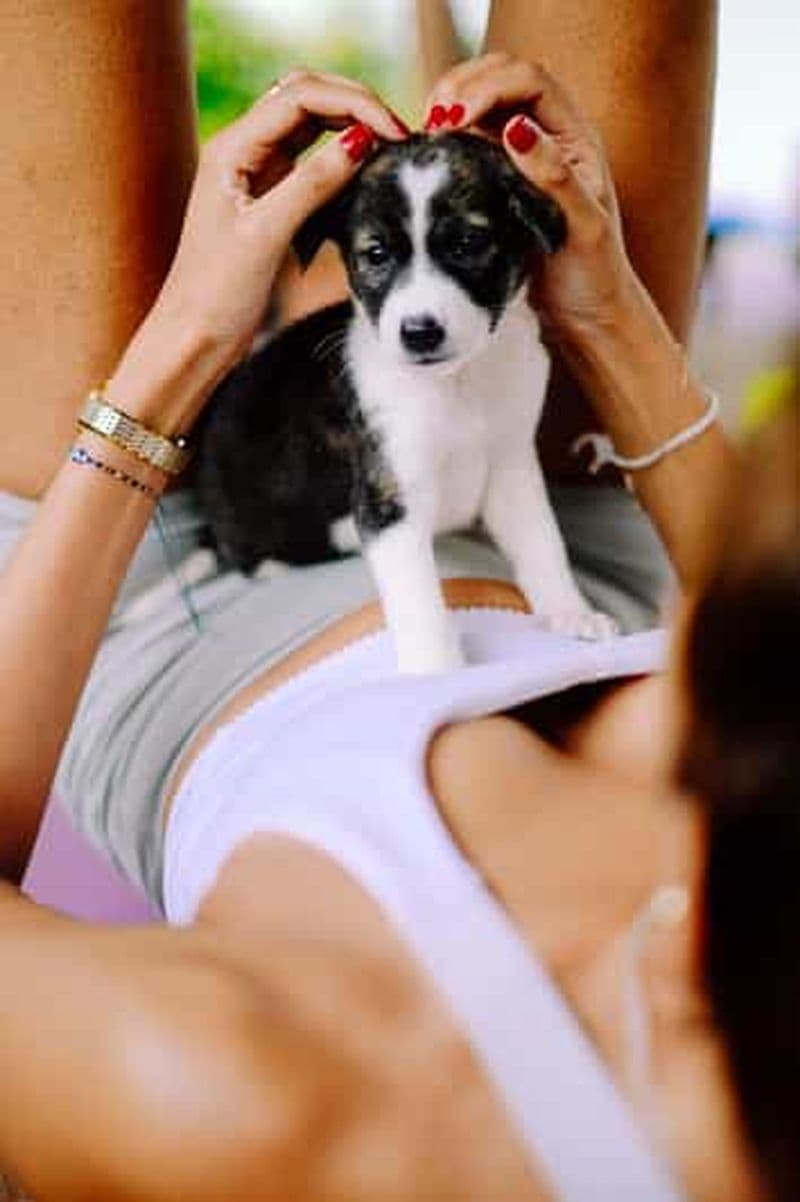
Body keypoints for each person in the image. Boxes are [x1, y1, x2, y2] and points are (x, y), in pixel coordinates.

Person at [3, 35, 798, 1198]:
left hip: (169, 564)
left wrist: (183, 347)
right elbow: (754, 628)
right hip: (589, 520)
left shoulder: (264, 1098)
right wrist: (612, 319)